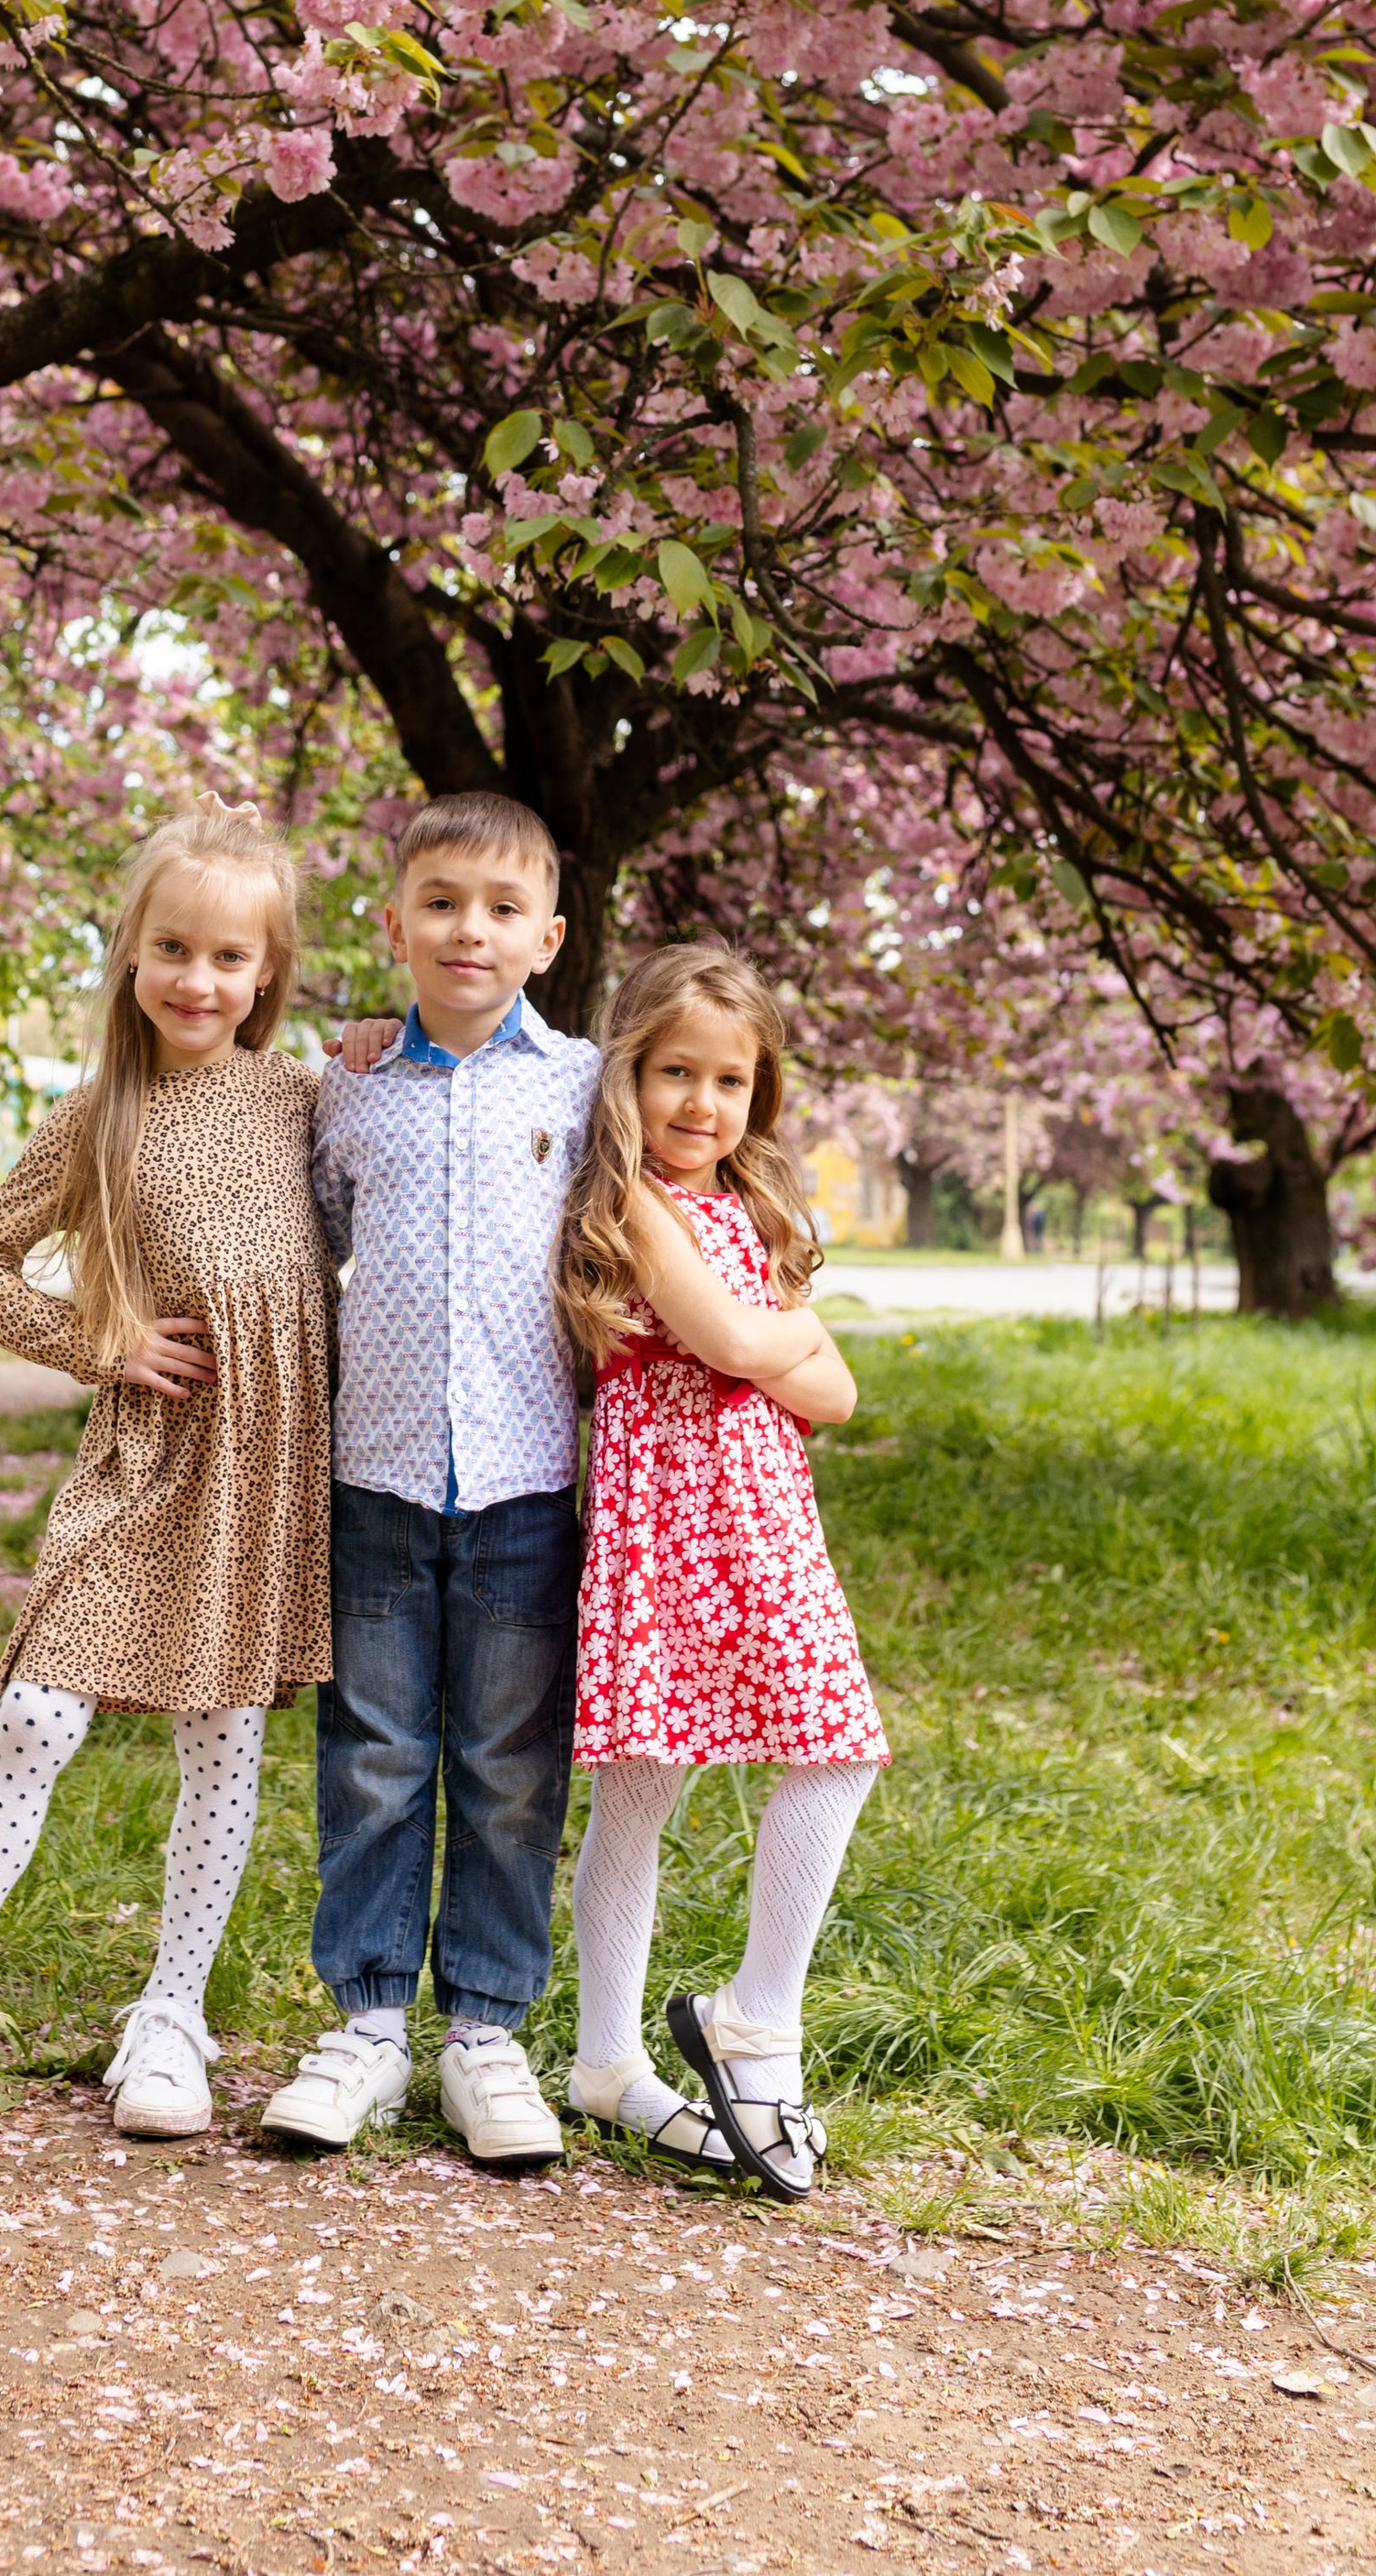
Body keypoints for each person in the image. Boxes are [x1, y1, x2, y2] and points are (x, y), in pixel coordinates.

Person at [0, 802, 333, 2154]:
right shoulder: (97, 1114)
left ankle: (173, 2012)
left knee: (222, 1736)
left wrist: (390, 1054)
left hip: (268, 1469)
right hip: (147, 1457)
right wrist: (100, 1339)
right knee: (38, 1715)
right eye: (174, 949)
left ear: (268, 972)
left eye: (229, 957)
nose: (198, 979)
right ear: (132, 953)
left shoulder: (304, 1100)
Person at [259, 793, 601, 2170]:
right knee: (375, 1756)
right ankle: (367, 2024)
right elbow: (313, 1240)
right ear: (395, 925)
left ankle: (486, 2033)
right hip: (379, 1477)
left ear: (547, 939)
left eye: (504, 909)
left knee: (511, 1766)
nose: (472, 930)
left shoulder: (584, 1088)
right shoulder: (344, 1087)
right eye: (443, 904)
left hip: (527, 1481)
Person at [558, 939, 885, 2201]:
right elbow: (743, 1345)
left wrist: (769, 1340)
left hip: (757, 1510)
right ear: (627, 1076)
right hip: (677, 1513)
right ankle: (619, 2055)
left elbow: (838, 1397)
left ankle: (752, 2012)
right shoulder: (634, 1203)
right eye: (675, 1073)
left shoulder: (747, 1210)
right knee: (645, 1782)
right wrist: (780, 1338)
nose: (702, 1103)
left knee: (834, 1747)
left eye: (731, 1080)